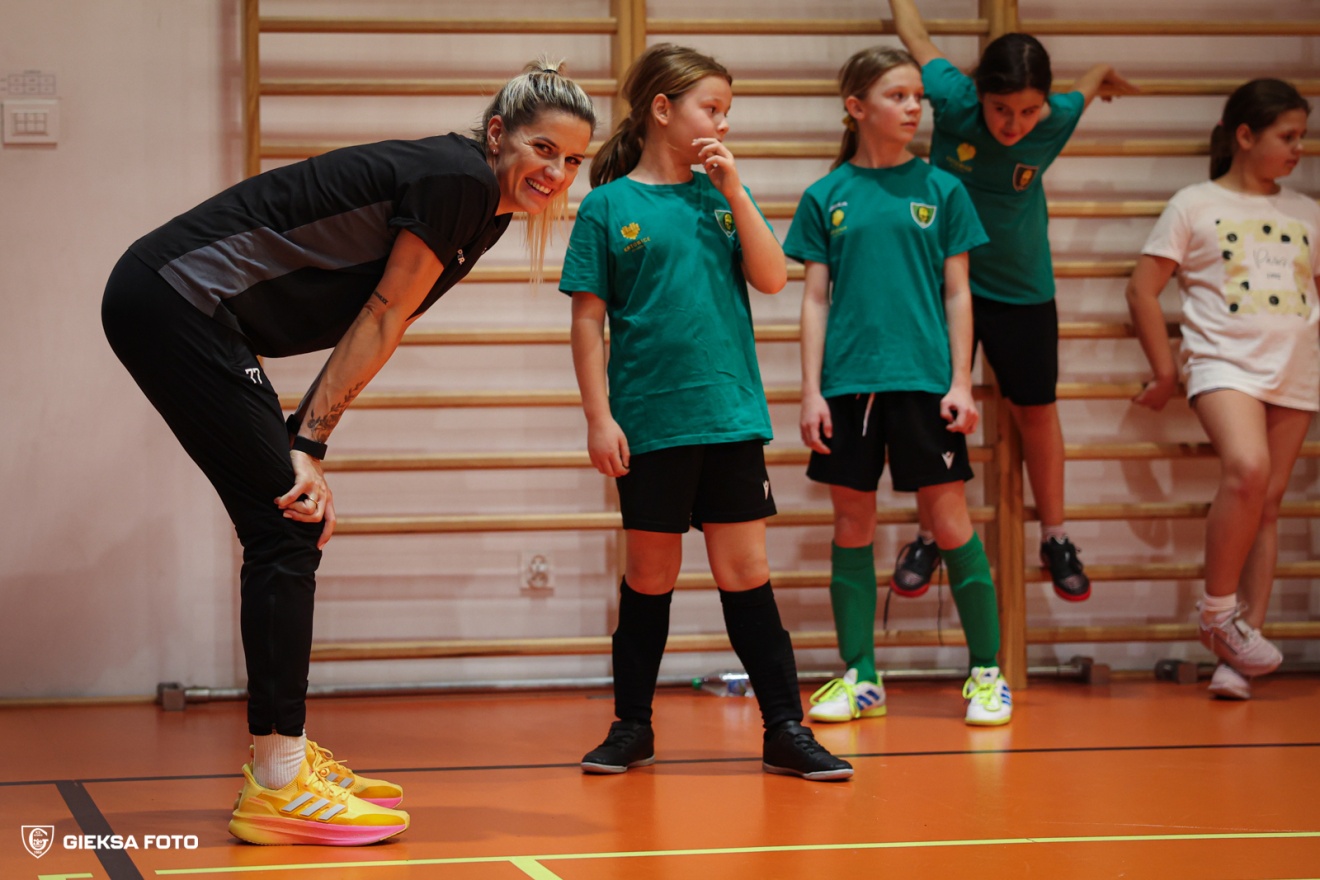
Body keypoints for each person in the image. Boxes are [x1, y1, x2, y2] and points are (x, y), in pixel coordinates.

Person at [102, 61, 596, 845]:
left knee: (287, 524)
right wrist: (308, 443)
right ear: (498, 133)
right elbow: (384, 313)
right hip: (176, 298)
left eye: (573, 160)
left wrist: (305, 439)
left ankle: (281, 761)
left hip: (187, 308)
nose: (558, 174)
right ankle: (277, 783)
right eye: (544, 150)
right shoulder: (459, 179)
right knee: (287, 524)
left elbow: (382, 320)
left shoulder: (486, 208)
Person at [562, 43, 852, 781]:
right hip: (650, 421)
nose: (722, 122)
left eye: (727, 111)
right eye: (711, 108)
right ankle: (632, 727)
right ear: (662, 110)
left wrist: (735, 191)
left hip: (728, 416)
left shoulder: (723, 198)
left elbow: (773, 278)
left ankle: (785, 728)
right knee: (649, 576)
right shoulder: (607, 207)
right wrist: (599, 418)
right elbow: (587, 323)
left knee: (746, 572)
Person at [786, 45, 1011, 727]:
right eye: (898, 96)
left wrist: (961, 382)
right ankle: (861, 676)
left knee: (949, 523)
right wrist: (810, 391)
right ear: (856, 107)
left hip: (925, 385)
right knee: (851, 525)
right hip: (848, 387)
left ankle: (987, 673)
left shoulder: (942, 190)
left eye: (919, 96)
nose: (915, 107)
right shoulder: (825, 196)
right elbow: (815, 301)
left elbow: (959, 293)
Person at [887, 0, 1137, 601]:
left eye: (1028, 110)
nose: (1014, 124)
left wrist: (1101, 73)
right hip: (944, 285)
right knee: (935, 409)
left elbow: (1082, 87)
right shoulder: (952, 99)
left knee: (1037, 411)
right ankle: (928, 533)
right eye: (1002, 109)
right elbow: (914, 34)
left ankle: (1055, 535)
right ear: (979, 94)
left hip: (1023, 289)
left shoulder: (1055, 118)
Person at [1127, 78, 1315, 700]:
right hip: (1223, 364)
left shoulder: (1308, 212)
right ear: (1245, 135)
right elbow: (1142, 290)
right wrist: (1164, 371)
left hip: (1294, 369)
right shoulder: (1195, 204)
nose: (1298, 149)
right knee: (1247, 469)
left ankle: (1240, 651)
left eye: (1301, 137)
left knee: (1268, 502)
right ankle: (1217, 612)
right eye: (1287, 136)